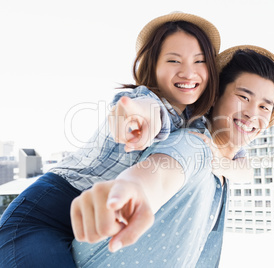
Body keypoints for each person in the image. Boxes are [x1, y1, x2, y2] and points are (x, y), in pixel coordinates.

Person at [0, 12, 220, 267]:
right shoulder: (143, 99)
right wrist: (137, 121)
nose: (188, 72)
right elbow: (141, 111)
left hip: (96, 224)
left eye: (199, 61)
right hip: (44, 215)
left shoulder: (198, 124)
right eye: (173, 60)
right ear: (153, 67)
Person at [69, 45, 274, 267]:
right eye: (243, 97)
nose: (252, 113)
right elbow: (161, 174)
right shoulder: (194, 144)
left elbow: (246, 172)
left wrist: (224, 165)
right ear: (214, 96)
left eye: (264, 107)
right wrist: (134, 191)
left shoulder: (227, 163)